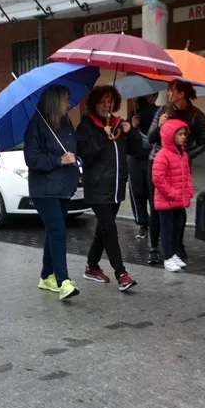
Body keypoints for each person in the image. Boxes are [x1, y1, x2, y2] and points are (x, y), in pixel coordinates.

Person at [77, 85, 138, 291]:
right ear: (94, 103)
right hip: (97, 188)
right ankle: (121, 274)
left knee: (103, 230)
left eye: (109, 101)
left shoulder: (118, 125)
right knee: (110, 230)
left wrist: (131, 132)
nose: (106, 105)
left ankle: (92, 267)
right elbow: (85, 155)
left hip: (116, 188)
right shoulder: (86, 126)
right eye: (102, 101)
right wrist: (102, 137)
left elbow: (137, 150)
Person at [23, 85, 80, 301]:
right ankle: (63, 281)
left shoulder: (65, 123)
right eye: (65, 100)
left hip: (63, 187)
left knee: (53, 231)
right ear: (54, 102)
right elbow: (32, 159)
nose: (68, 104)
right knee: (58, 232)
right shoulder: (37, 124)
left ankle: (46, 276)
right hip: (44, 189)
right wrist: (58, 160)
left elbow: (72, 147)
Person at [146, 81, 205, 265]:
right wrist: (160, 125)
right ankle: (154, 248)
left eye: (171, 90)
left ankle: (176, 247)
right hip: (158, 160)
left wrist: (185, 156)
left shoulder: (196, 115)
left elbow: (204, 142)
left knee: (179, 207)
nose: (168, 93)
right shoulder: (163, 111)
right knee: (157, 207)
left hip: (180, 166)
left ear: (181, 94)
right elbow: (150, 138)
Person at [151, 120, 194, 272]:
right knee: (167, 230)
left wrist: (188, 191)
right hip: (167, 201)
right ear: (170, 136)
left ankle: (173, 254)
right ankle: (168, 257)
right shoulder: (162, 155)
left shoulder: (183, 154)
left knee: (177, 229)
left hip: (179, 201)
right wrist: (172, 193)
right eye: (180, 134)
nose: (183, 137)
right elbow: (158, 178)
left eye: (184, 134)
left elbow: (187, 175)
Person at [127, 94, 158, 240]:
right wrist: (133, 126)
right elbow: (127, 137)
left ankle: (155, 223)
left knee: (153, 193)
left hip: (151, 158)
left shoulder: (157, 113)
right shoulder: (133, 114)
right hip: (134, 158)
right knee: (137, 192)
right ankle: (142, 224)